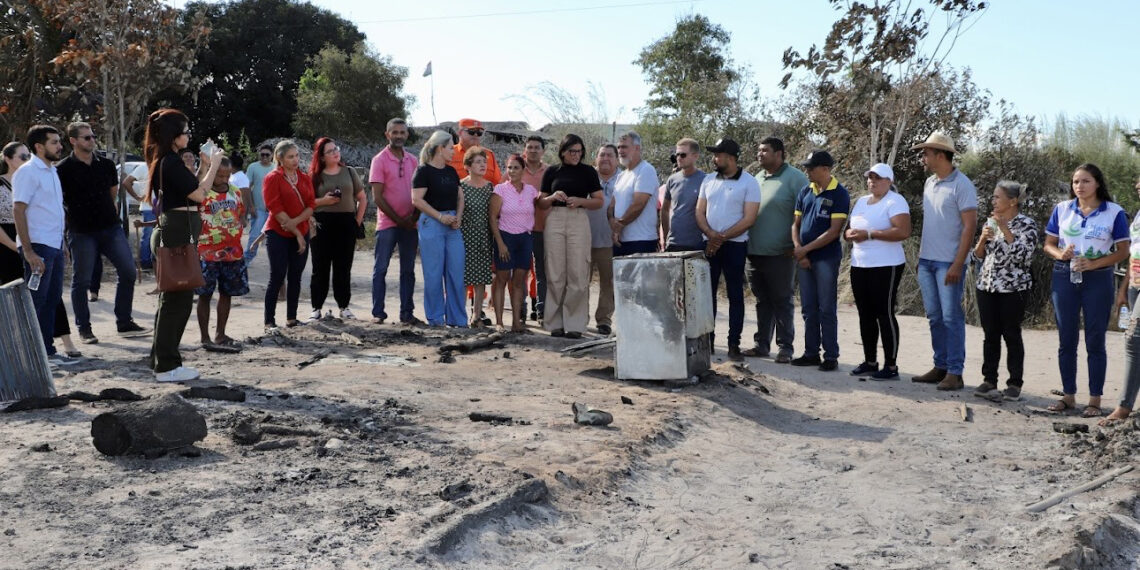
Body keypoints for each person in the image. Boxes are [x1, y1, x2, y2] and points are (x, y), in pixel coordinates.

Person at [143, 109, 224, 382]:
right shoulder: (171, 162)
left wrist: (203, 166)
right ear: (173, 135)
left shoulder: (168, 161)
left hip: (175, 229)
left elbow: (192, 188)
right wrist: (214, 164)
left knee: (171, 301)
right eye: (186, 131)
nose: (189, 135)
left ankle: (160, 359)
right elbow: (201, 195)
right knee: (177, 303)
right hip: (176, 232)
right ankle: (167, 366)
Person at [1043, 163, 1129, 417]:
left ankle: (1094, 400)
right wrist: (1061, 253)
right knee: (1066, 338)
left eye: (1085, 181)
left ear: (1098, 183)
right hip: (1064, 276)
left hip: (1098, 280)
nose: (1079, 186)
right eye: (1075, 182)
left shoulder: (1113, 212)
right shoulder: (1062, 209)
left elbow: (1123, 251)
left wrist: (1094, 263)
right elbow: (1048, 244)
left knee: (1095, 339)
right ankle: (1068, 396)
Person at [56, 121, 147, 344]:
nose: (92, 140)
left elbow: (113, 195)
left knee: (128, 272)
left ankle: (124, 322)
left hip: (110, 228)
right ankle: (84, 328)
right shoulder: (62, 169)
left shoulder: (106, 165)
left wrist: (113, 217)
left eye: (93, 136)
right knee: (82, 281)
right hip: (81, 232)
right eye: (86, 137)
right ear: (73, 141)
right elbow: (59, 202)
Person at [3, 140, 83, 363]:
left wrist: (62, 243)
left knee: (51, 298)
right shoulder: (26, 175)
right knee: (34, 301)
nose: (60, 146)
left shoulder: (50, 172)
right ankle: (31, 355)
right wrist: (25, 249)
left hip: (52, 244)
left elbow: (55, 211)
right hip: (30, 245)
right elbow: (18, 211)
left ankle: (47, 350)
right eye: (54, 142)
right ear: (8, 159)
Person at [909, 132, 978, 390]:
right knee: (935, 317)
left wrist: (958, 263)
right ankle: (940, 365)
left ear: (940, 154)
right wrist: (921, 257)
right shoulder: (930, 183)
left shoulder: (963, 184)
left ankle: (955, 372)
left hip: (948, 263)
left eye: (926, 152)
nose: (923, 157)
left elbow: (970, 226)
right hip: (927, 261)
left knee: (951, 317)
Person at [743, 137, 808, 363]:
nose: (760, 154)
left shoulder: (796, 179)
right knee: (762, 300)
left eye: (765, 151)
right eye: (758, 150)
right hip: (754, 251)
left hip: (782, 253)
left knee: (782, 300)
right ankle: (761, 344)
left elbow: (804, 214)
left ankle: (785, 348)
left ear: (779, 153)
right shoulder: (757, 178)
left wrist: (797, 244)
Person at [971, 180, 1037, 399]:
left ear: (1013, 201)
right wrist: (982, 239)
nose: (993, 201)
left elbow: (1023, 256)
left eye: (997, 197)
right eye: (993, 197)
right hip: (987, 285)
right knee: (990, 334)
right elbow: (979, 256)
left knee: (1011, 333)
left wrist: (1004, 229)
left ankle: (1014, 383)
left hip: (1013, 287)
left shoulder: (1026, 224)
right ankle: (989, 380)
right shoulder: (989, 221)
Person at [695, 138, 761, 360]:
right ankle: (709, 341)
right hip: (709, 244)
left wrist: (721, 237)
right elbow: (699, 212)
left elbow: (749, 218)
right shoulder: (708, 180)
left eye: (718, 155)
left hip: (735, 245)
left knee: (735, 294)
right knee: (707, 294)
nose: (715, 159)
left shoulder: (749, 183)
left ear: (731, 158)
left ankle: (734, 343)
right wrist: (711, 235)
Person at [844, 163, 911, 380]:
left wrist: (870, 235)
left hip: (886, 264)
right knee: (865, 314)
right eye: (870, 177)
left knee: (884, 313)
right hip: (860, 264)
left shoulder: (895, 200)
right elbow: (851, 228)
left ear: (889, 181)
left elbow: (903, 231)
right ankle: (870, 361)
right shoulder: (862, 201)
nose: (872, 181)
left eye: (878, 177)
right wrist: (849, 234)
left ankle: (891, 366)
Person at [790, 150, 849, 371]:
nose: (807, 171)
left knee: (826, 308)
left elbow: (834, 232)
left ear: (825, 169)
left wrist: (804, 250)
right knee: (808, 308)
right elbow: (795, 224)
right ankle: (811, 353)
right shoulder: (805, 191)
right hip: (804, 258)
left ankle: (831, 356)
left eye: (811, 168)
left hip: (826, 259)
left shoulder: (839, 194)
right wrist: (799, 250)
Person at [540, 134, 603, 338]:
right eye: (572, 151)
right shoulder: (551, 171)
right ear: (562, 152)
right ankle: (554, 323)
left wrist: (580, 201)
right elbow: (541, 203)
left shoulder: (588, 172)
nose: (576, 155)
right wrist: (552, 197)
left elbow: (599, 201)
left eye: (579, 151)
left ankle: (575, 324)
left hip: (579, 219)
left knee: (578, 271)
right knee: (555, 272)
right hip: (555, 218)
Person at [369, 118, 421, 325]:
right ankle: (378, 313)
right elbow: (377, 197)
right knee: (381, 268)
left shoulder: (413, 160)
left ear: (407, 135)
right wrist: (399, 220)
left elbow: (420, 192)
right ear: (387, 134)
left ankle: (407, 313)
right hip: (388, 224)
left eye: (402, 132)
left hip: (410, 224)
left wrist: (413, 218)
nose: (399, 136)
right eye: (395, 132)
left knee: (408, 270)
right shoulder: (379, 160)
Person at [412, 130, 466, 327]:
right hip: (432, 223)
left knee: (456, 273)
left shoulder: (451, 171)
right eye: (451, 147)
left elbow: (460, 197)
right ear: (440, 148)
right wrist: (440, 217)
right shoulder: (423, 171)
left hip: (453, 224)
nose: (454, 151)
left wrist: (457, 218)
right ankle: (436, 319)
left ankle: (458, 320)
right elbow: (416, 200)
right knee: (434, 274)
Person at [194, 157, 248, 347]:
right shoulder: (203, 193)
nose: (224, 179)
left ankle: (221, 334)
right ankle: (204, 337)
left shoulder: (235, 192)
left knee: (227, 293)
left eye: (227, 175)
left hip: (232, 251)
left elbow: (241, 212)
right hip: (206, 251)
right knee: (205, 294)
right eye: (220, 175)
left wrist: (240, 223)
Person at [307, 137, 363, 321]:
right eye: (330, 151)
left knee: (343, 267)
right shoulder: (314, 176)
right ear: (322, 157)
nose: (335, 152)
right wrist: (324, 201)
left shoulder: (349, 171)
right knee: (320, 267)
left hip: (346, 222)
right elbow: (306, 204)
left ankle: (344, 306)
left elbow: (362, 198)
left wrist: (357, 221)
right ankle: (316, 308)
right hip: (321, 223)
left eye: (335, 149)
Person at [262, 139, 315, 331]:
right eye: (290, 156)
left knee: (296, 275)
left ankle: (291, 318)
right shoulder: (272, 177)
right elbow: (274, 207)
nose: (295, 160)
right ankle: (269, 321)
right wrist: (295, 230)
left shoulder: (304, 177)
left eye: (297, 156)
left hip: (300, 229)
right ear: (280, 158)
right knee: (277, 275)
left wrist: (297, 224)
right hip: (278, 232)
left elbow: (311, 204)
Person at [1103, 176, 1140, 426]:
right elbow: (1134, 252)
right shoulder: (1138, 214)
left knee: (1133, 340)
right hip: (1135, 284)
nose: (1137, 185)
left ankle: (1124, 406)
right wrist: (1123, 289)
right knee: (1133, 341)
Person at [490, 154, 540, 331]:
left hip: (524, 239)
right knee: (502, 279)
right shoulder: (500, 190)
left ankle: (516, 323)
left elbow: (541, 204)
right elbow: (492, 218)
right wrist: (500, 243)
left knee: (519, 281)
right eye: (509, 168)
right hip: (505, 237)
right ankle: (499, 322)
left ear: (523, 170)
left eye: (516, 168)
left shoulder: (531, 191)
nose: (512, 171)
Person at [457, 146, 495, 327]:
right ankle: (460, 314)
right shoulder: (461, 187)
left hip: (484, 238)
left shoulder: (489, 187)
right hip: (465, 237)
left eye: (484, 161)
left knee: (481, 278)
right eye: (478, 162)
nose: (483, 165)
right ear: (468, 166)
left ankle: (477, 315)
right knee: (464, 278)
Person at [587, 144, 619, 335]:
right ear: (596, 158)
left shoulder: (624, 179)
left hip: (610, 240)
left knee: (609, 282)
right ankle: (579, 318)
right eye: (602, 155)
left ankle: (604, 320)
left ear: (616, 159)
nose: (605, 158)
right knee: (581, 281)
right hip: (584, 238)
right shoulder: (587, 176)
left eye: (609, 155)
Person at [610, 131, 659, 255]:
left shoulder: (646, 170)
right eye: (619, 147)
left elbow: (638, 204)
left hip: (642, 240)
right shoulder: (621, 175)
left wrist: (619, 225)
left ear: (637, 148)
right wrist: (613, 225)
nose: (620, 150)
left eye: (624, 147)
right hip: (621, 240)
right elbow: (611, 206)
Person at [661, 138, 705, 252]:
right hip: (673, 243)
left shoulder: (706, 180)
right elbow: (665, 210)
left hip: (697, 244)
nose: (679, 158)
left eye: (683, 155)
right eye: (677, 155)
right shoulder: (672, 180)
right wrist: (666, 237)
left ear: (695, 156)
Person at [521, 135, 548, 323]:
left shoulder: (550, 172)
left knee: (541, 272)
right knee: (520, 272)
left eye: (537, 147)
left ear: (543, 151)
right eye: (530, 147)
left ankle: (542, 310)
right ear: (525, 150)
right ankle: (519, 310)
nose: (533, 150)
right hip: (518, 230)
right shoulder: (515, 169)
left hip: (542, 228)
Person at [121, 161, 155, 270]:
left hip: (164, 207)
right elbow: (126, 182)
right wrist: (137, 197)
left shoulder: (165, 164)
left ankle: (157, 262)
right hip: (149, 207)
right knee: (148, 235)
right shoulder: (144, 167)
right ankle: (144, 262)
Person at [244, 143, 274, 262]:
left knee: (274, 239)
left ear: (272, 155)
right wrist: (250, 206)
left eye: (267, 154)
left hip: (273, 210)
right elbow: (246, 187)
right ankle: (246, 260)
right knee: (254, 236)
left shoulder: (276, 167)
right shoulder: (253, 167)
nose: (264, 157)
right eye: (262, 154)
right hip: (258, 209)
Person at [449, 118, 502, 184]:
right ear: (460, 133)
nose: (475, 135)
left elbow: (498, 183)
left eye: (479, 132)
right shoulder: (449, 152)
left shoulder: (489, 154)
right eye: (471, 131)